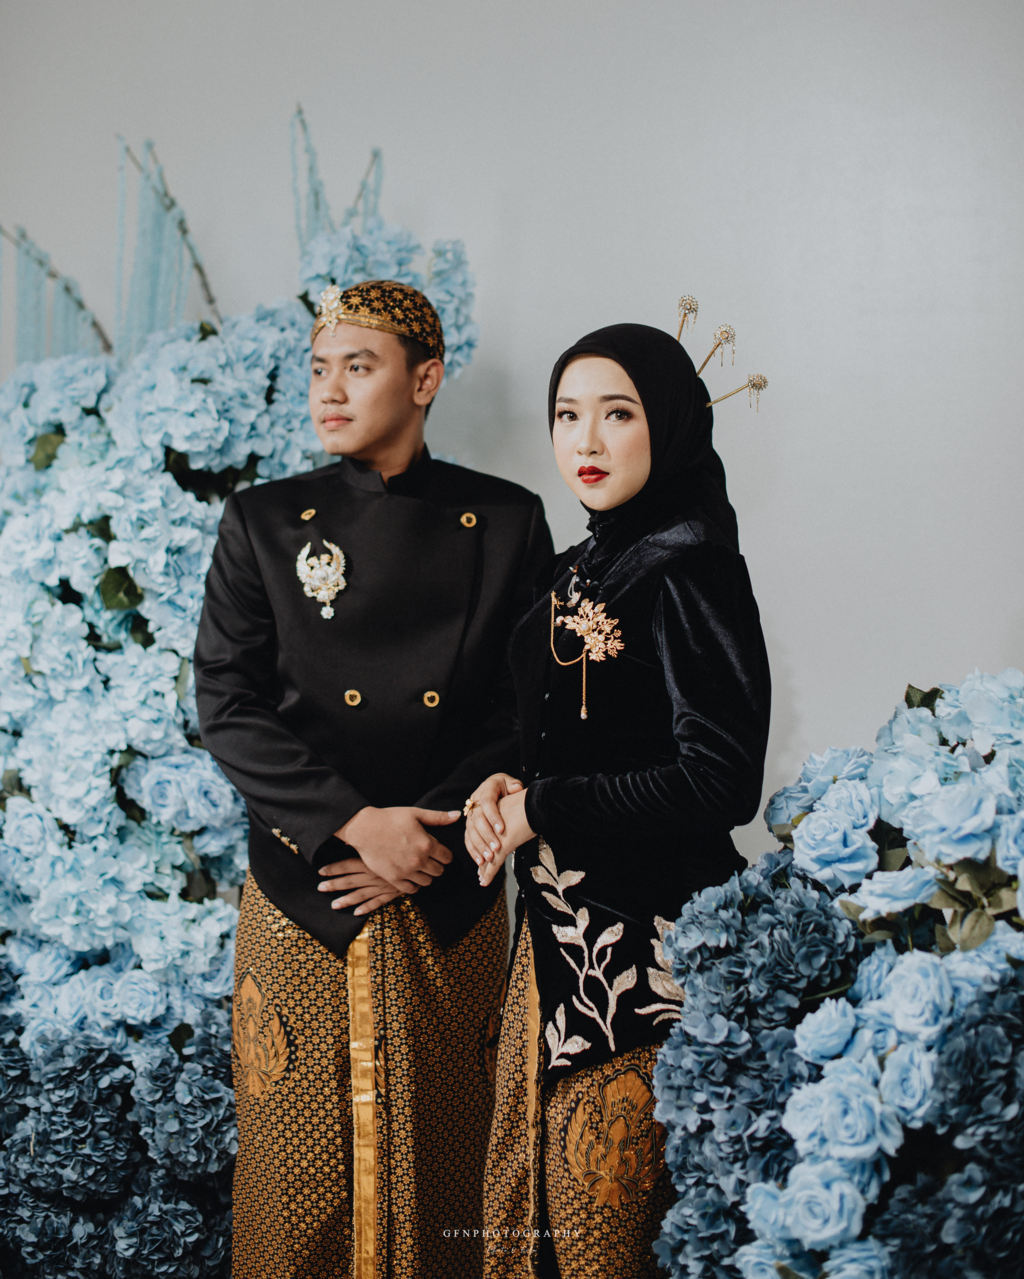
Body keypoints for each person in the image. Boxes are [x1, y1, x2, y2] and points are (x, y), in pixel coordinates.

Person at [194, 279, 553, 1279]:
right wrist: (355, 823)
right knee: (296, 1176)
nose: (331, 390)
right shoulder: (264, 521)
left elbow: (529, 710)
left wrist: (421, 834)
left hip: (451, 886)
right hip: (307, 884)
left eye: (359, 367)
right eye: (320, 369)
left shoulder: (508, 520)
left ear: (425, 379)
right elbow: (227, 701)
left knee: (451, 1164)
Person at [463, 322, 771, 1278]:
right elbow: (568, 739)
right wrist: (508, 786)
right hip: (556, 953)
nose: (586, 441)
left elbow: (720, 778)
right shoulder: (579, 567)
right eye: (567, 415)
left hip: (648, 962)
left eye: (618, 414)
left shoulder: (688, 563)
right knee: (536, 1233)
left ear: (668, 425)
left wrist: (544, 808)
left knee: (611, 1242)